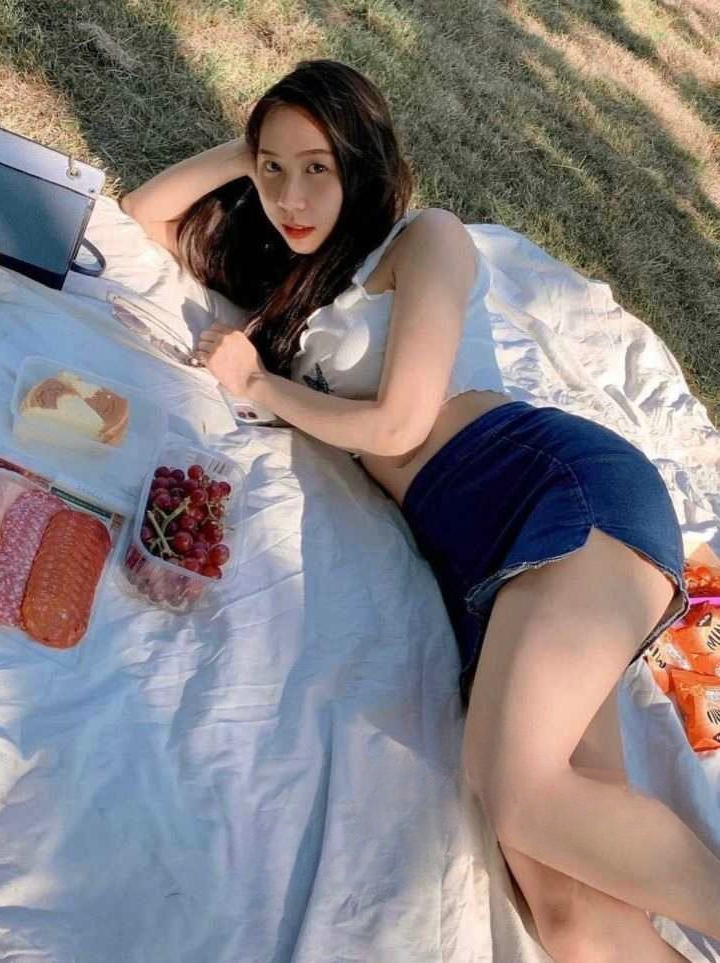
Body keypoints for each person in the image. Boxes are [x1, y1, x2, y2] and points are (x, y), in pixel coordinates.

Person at [120, 59, 720, 962]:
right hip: (485, 572)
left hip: (550, 492)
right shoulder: (286, 290)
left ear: (362, 162)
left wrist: (260, 386)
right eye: (274, 169)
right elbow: (144, 213)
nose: (291, 196)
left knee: (517, 785)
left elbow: (400, 422)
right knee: (572, 918)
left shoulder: (423, 240)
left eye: (317, 167)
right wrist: (254, 153)